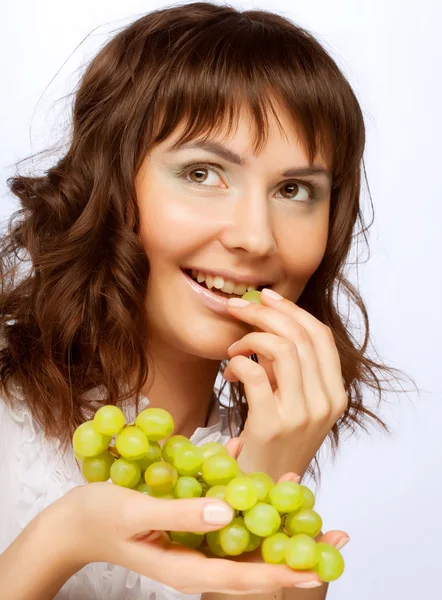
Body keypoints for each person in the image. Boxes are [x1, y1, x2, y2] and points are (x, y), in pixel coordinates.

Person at [0, 2, 412, 599]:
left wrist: (266, 480)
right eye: (202, 173)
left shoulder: (264, 486)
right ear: (112, 185)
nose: (255, 236)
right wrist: (61, 538)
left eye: (294, 190)